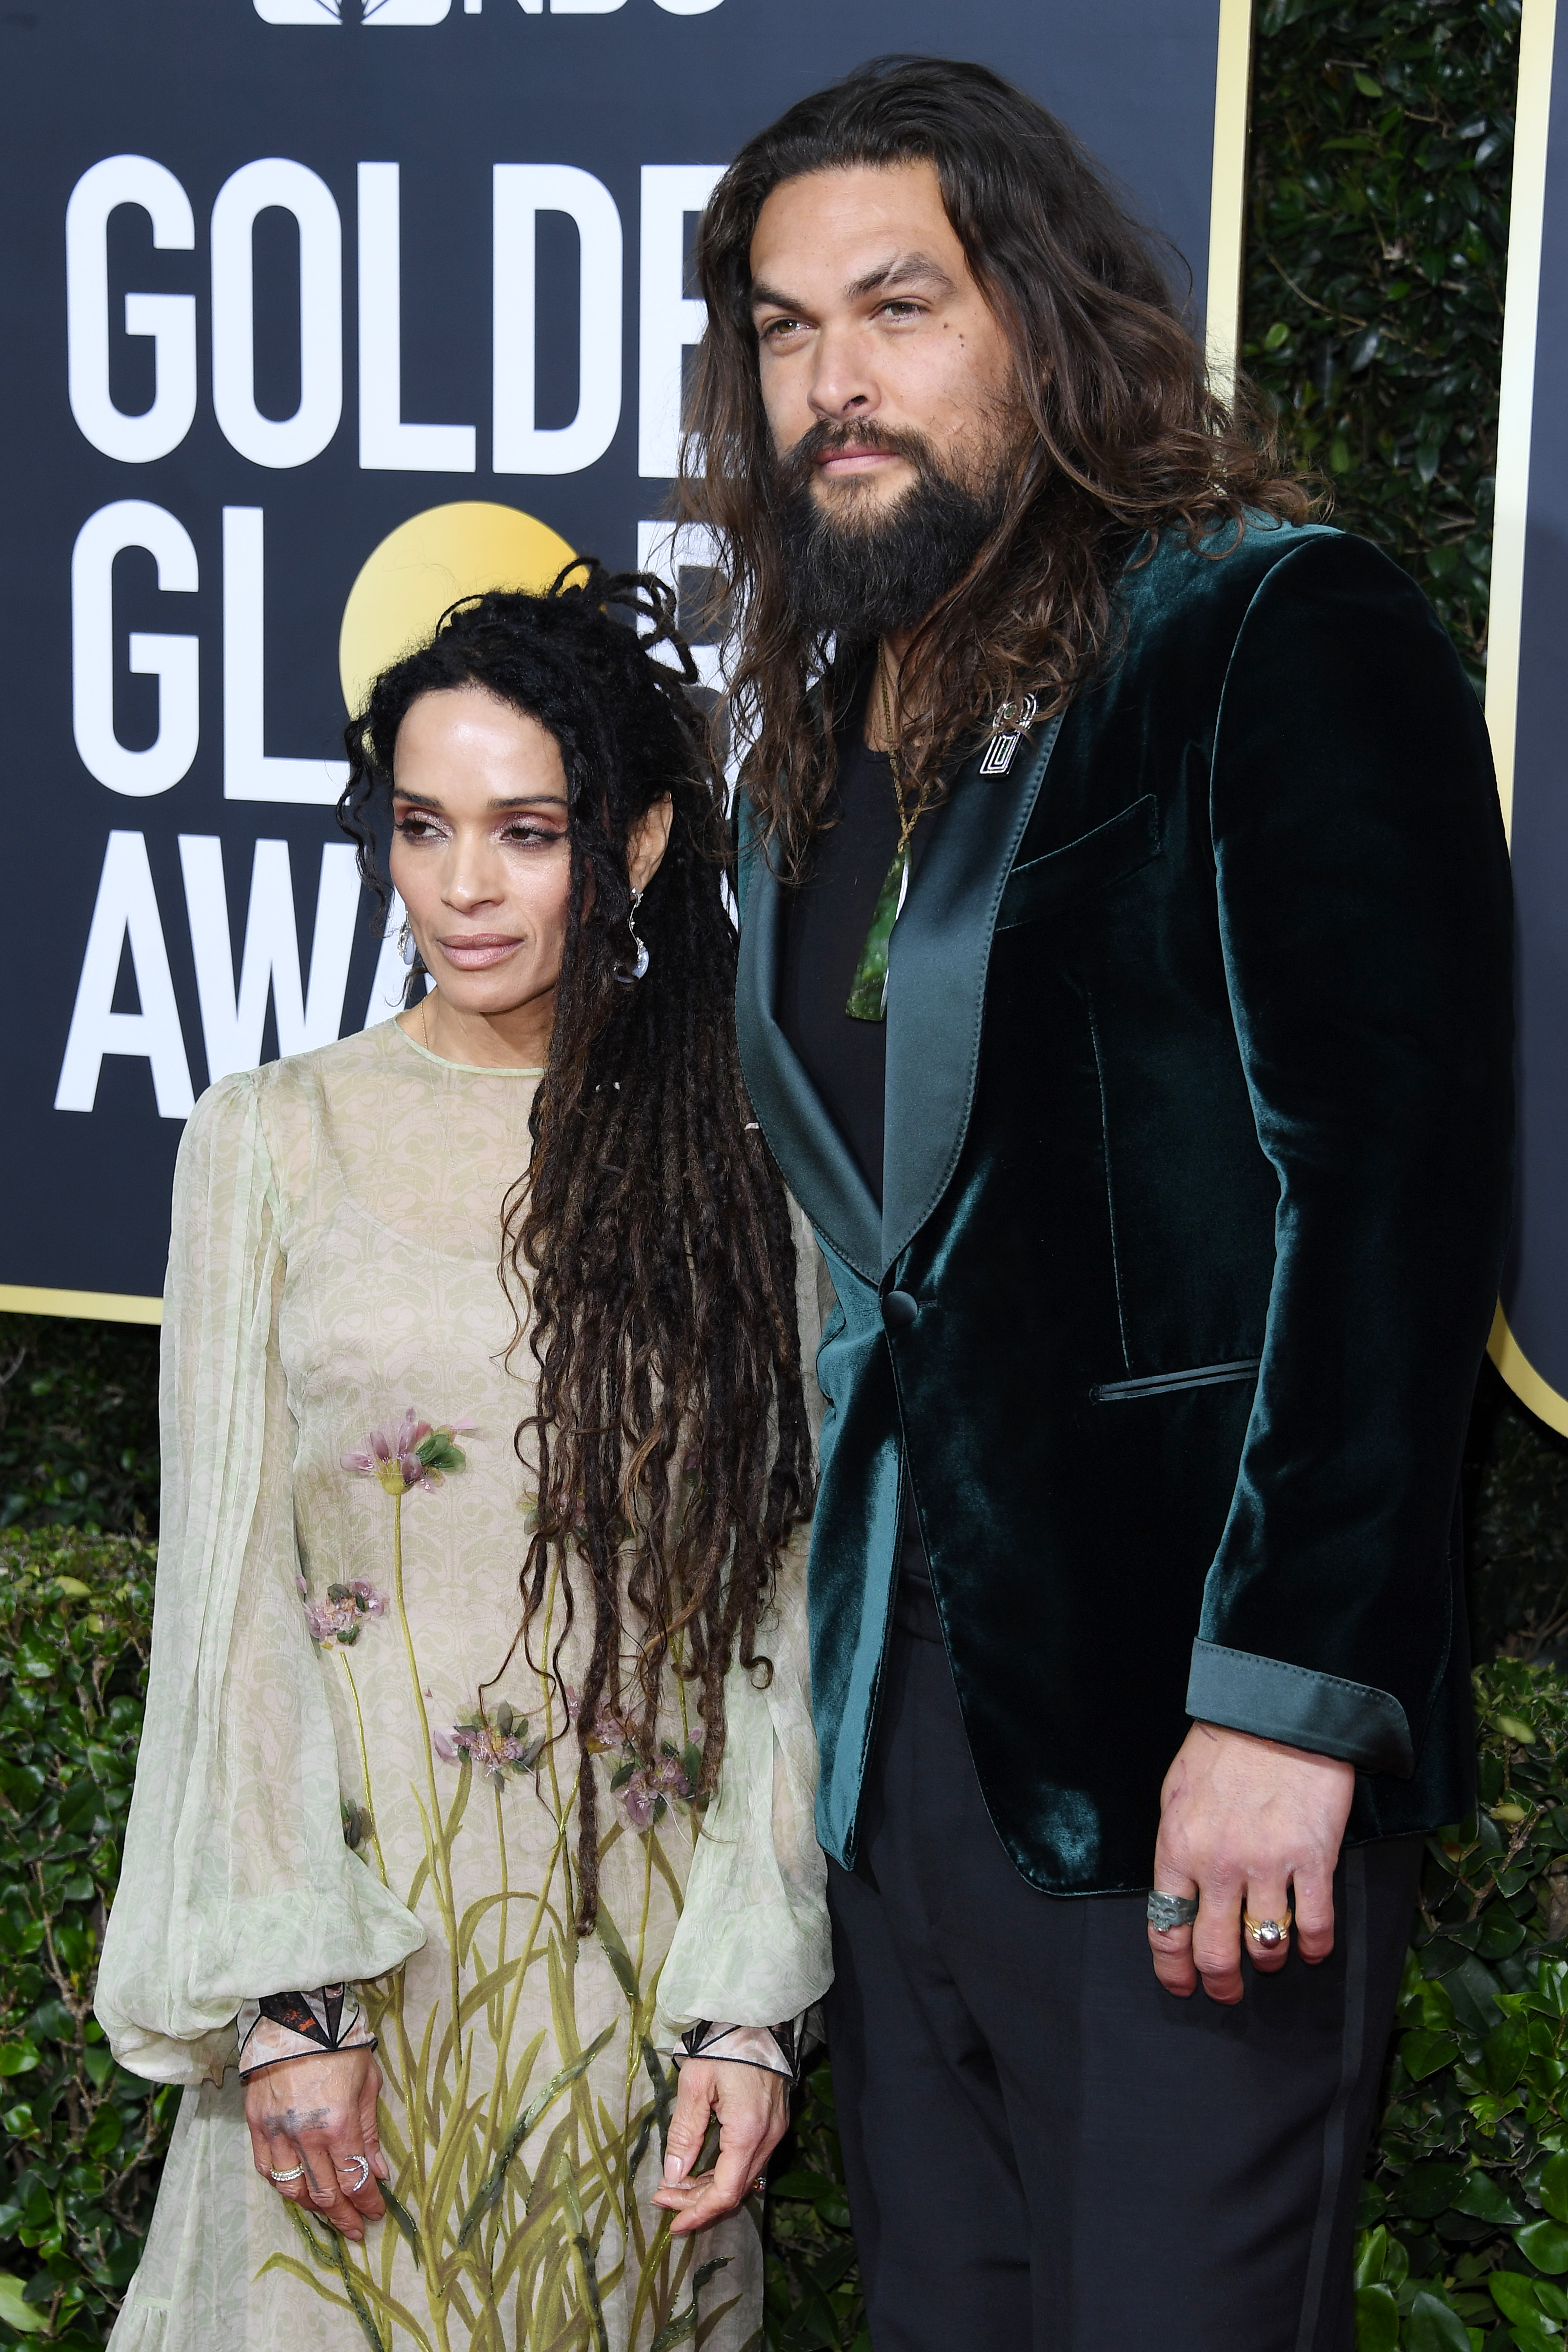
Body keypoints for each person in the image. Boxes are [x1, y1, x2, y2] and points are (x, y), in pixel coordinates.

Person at [680, 56, 1515, 2351]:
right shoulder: (819, 730)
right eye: (781, 328)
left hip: (1186, 1742)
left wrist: (1284, 1694)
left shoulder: (1268, 628)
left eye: (896, 304)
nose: (833, 380)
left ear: (1041, 316)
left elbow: (1392, 1185)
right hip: (906, 1754)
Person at [94, 568, 833, 2352]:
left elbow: (793, 1618)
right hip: (345, 2010)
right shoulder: (268, 1141)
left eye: (527, 829)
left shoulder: (746, 1160)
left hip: (636, 2021)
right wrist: (288, 1995)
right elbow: (227, 1604)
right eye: (424, 827)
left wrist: (745, 2003)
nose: (464, 886)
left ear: (640, 840)